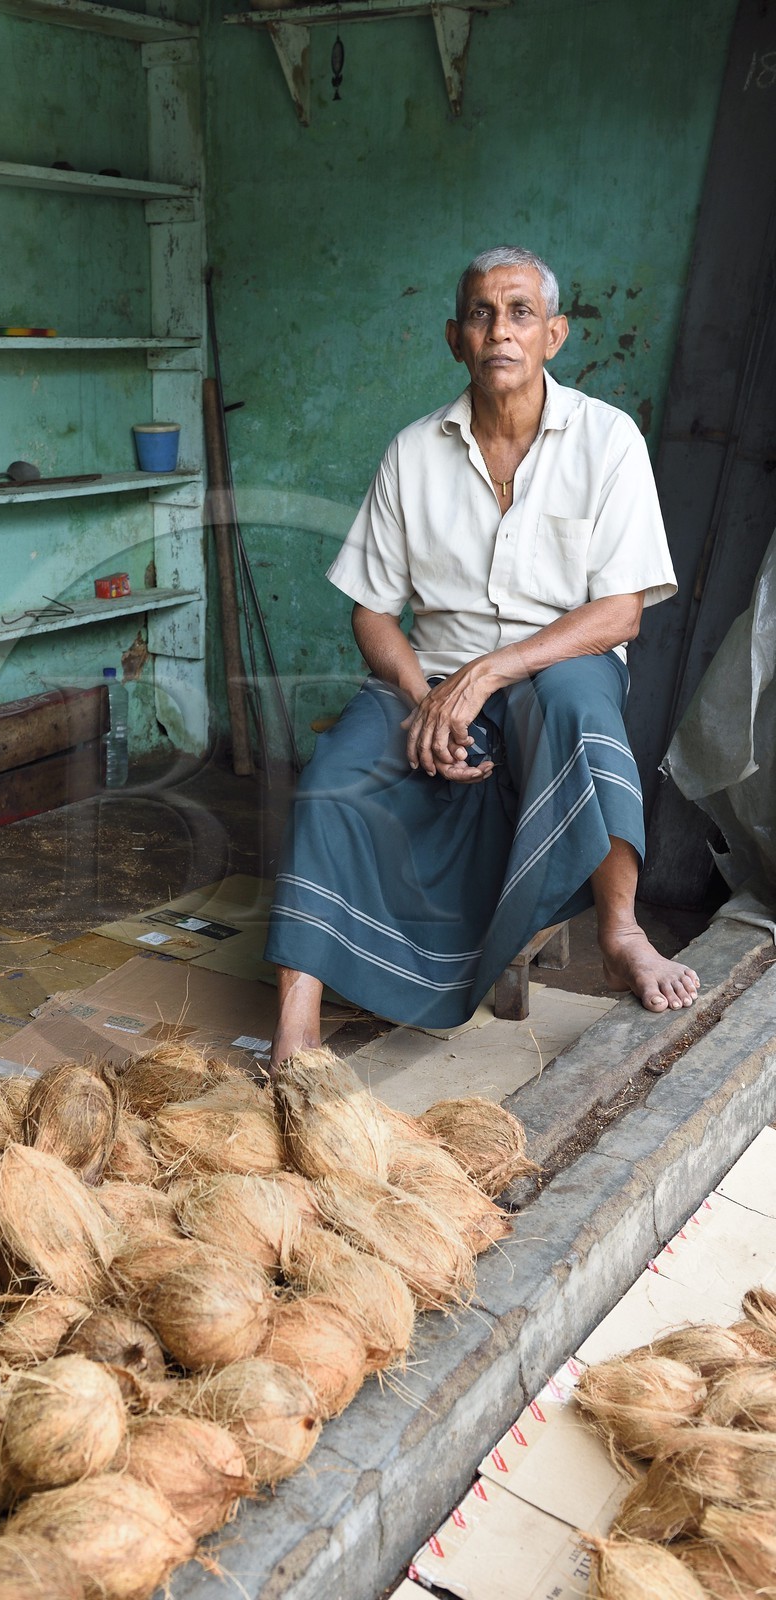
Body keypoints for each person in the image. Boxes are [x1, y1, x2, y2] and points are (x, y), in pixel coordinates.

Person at [265, 245, 700, 1068]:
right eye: (480, 314)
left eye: (520, 313)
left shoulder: (608, 441)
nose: (500, 330)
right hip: (426, 671)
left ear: (555, 335)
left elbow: (619, 613)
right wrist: (420, 690)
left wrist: (490, 673)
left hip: (556, 664)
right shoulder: (411, 452)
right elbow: (372, 610)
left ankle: (620, 931)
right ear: (454, 338)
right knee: (331, 781)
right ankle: (296, 1034)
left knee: (578, 704)